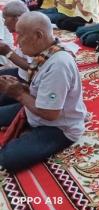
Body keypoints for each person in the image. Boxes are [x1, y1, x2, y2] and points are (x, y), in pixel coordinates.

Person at [0, 12, 87, 172]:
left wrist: (19, 94)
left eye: (20, 35)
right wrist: (19, 89)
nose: (17, 41)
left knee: (8, 158)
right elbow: (36, 82)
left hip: (59, 126)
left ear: (38, 35)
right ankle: (27, 129)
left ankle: (30, 133)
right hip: (37, 105)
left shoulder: (59, 65)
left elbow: (50, 114)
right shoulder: (47, 51)